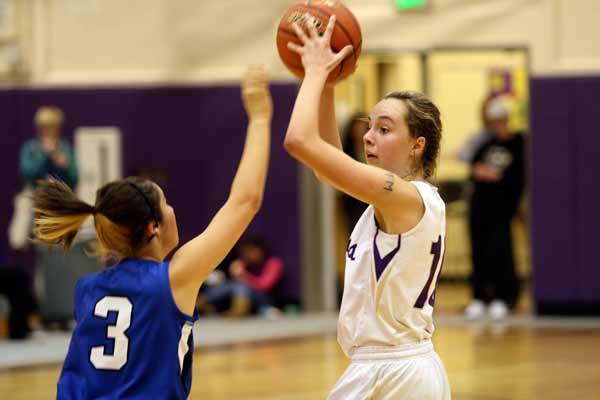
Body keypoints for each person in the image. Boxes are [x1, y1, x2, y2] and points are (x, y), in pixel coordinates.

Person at [32, 66, 272, 399]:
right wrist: (259, 118)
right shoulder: (174, 278)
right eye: (167, 203)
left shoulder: (86, 289)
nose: (174, 210)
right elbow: (245, 201)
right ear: (153, 226)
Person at [284, 16, 450, 399]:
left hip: (396, 372)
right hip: (390, 368)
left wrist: (312, 72)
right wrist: (327, 85)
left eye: (385, 129)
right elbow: (327, 169)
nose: (369, 136)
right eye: (368, 125)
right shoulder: (397, 198)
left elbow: (299, 140)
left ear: (417, 145)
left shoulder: (405, 196)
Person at [464, 97, 525, 320]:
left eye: (501, 120)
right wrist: (485, 173)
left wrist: (495, 175)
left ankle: (504, 297)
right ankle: (480, 297)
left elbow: (516, 176)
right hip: (480, 208)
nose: (497, 125)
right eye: (493, 121)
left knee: (501, 252)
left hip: (502, 210)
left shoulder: (518, 143)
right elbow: (474, 168)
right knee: (479, 253)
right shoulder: (485, 144)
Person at [199, 235, 283, 319]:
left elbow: (264, 286)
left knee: (241, 286)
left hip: (265, 300)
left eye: (251, 251)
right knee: (227, 284)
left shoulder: (273, 263)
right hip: (240, 297)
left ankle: (238, 311)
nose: (248, 255)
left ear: (260, 250)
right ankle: (198, 305)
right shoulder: (242, 263)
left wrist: (244, 275)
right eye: (245, 252)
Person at [20, 106, 79, 189]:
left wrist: (66, 166)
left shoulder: (65, 147)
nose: (48, 131)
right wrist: (45, 156)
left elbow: (75, 177)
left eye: (52, 127)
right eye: (44, 127)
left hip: (61, 194)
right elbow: (27, 174)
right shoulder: (30, 147)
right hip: (36, 194)